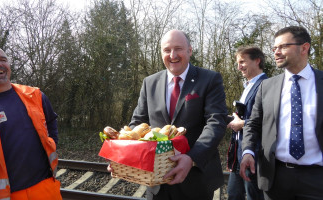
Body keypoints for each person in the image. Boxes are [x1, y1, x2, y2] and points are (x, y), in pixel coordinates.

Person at [126, 29, 227, 200]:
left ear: (190, 50)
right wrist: (125, 155)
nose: (173, 55)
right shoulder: (149, 83)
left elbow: (216, 122)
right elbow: (138, 123)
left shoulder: (210, 79)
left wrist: (192, 157)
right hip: (157, 182)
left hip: (196, 180)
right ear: (161, 53)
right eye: (167, 50)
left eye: (178, 48)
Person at [0, 46, 62, 200]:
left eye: (3, 59)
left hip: (45, 189)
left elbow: (51, 125)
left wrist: (52, 144)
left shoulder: (36, 96)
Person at [240, 26, 323, 200]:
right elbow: (253, 123)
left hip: (317, 179)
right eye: (274, 48)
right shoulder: (267, 86)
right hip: (275, 177)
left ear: (304, 47)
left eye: (283, 47)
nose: (276, 52)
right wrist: (248, 150)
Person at [227, 46, 266, 200]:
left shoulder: (266, 85)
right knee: (233, 195)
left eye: (243, 62)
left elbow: (270, 120)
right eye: (238, 63)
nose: (239, 67)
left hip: (254, 154)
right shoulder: (248, 86)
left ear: (257, 61)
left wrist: (242, 123)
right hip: (238, 153)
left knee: (253, 196)